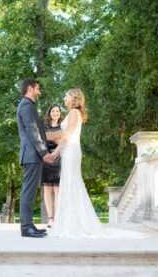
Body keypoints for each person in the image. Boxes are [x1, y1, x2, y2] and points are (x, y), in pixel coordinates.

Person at [49, 88, 104, 238]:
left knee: (71, 183)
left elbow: (67, 135)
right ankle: (70, 221)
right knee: (69, 183)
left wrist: (55, 152)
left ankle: (75, 224)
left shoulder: (74, 113)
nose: (64, 98)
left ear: (73, 98)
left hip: (71, 151)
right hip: (69, 151)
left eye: (66, 96)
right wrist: (50, 137)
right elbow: (63, 135)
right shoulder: (73, 113)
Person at [16, 79, 55, 238]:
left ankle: (29, 225)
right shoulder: (26, 106)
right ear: (30, 88)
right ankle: (26, 228)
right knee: (28, 191)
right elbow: (33, 132)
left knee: (30, 192)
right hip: (32, 154)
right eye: (37, 88)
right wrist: (44, 152)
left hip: (33, 155)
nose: (39, 91)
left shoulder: (28, 106)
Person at [42, 105, 63, 228]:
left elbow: (64, 142)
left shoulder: (63, 126)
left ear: (60, 113)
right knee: (47, 189)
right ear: (49, 113)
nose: (55, 113)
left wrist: (52, 138)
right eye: (53, 111)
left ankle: (58, 218)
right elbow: (42, 140)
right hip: (46, 158)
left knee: (58, 190)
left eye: (57, 111)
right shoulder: (44, 127)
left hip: (59, 158)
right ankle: (50, 219)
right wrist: (57, 138)